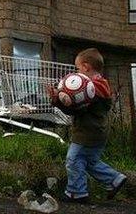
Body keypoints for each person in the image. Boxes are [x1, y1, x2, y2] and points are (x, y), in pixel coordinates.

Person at [47, 48, 127, 203]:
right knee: (89, 161)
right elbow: (77, 109)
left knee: (73, 159)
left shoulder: (89, 88)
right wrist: (57, 99)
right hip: (99, 131)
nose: (77, 71)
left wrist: (60, 99)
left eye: (77, 68)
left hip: (87, 132)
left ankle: (77, 192)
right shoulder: (100, 86)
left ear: (85, 67)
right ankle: (114, 179)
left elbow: (76, 109)